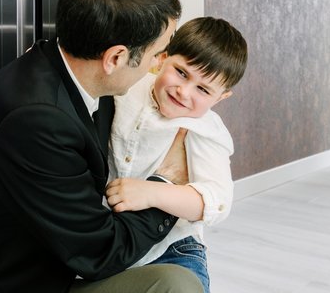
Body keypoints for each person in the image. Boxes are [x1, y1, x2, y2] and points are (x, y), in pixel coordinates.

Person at [0, 0, 205, 293]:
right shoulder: (36, 122)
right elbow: (101, 252)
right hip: (12, 285)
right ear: (116, 58)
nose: (158, 65)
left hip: (54, 264)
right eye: (157, 54)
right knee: (176, 287)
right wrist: (166, 184)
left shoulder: (69, 70)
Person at [105, 17, 248, 293]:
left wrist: (150, 193)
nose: (184, 92)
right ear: (162, 58)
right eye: (181, 73)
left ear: (221, 98)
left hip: (173, 247)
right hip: (114, 238)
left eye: (203, 89)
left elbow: (216, 202)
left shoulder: (204, 129)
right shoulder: (128, 87)